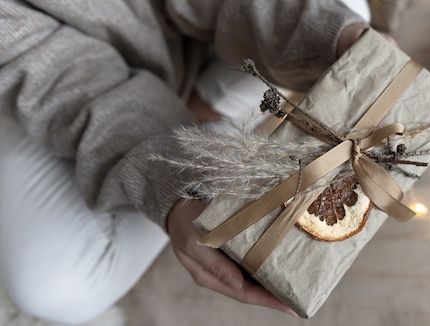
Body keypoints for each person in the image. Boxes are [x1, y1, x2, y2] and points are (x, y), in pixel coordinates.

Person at [0, 0, 385, 324]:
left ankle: (210, 114)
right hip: (59, 87)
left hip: (204, 37)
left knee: (346, 13)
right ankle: (211, 123)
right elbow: (59, 79)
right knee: (54, 290)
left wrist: (333, 34)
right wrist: (174, 190)